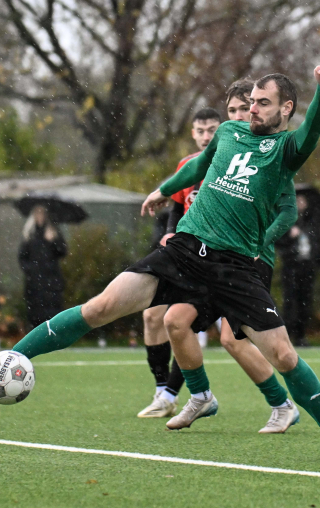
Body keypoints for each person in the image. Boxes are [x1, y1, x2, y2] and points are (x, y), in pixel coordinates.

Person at [0, 66, 320, 460]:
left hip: (235, 269)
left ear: (286, 108)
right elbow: (199, 164)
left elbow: (313, 130)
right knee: (102, 306)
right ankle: (1, 361)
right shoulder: (230, 132)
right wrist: (164, 189)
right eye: (251, 101)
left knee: (285, 356)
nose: (252, 108)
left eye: (263, 103)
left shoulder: (286, 149)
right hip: (184, 250)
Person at [140, 82, 302, 435]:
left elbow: (288, 212)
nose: (242, 116)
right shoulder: (223, 148)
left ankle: (282, 405)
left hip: (248, 258)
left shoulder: (271, 151)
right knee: (175, 320)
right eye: (233, 111)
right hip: (209, 256)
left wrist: (261, 240)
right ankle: (193, 395)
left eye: (247, 109)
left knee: (231, 338)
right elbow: (188, 189)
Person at [139, 107, 221, 419]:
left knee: (192, 327)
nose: (205, 137)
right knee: (152, 317)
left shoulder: (228, 163)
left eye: (211, 130)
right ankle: (163, 390)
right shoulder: (187, 165)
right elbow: (176, 207)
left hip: (213, 259)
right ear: (192, 133)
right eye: (200, 131)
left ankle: (178, 394)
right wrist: (170, 233)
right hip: (181, 253)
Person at [276, 193, 320, 347]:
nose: (300, 203)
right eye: (297, 200)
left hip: (307, 266)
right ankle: (286, 336)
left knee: (305, 301)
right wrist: (290, 236)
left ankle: (301, 335)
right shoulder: (286, 219)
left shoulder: (312, 221)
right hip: (291, 266)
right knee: (289, 301)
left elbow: (317, 245)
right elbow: (278, 242)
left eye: (303, 200)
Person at [18, 206, 68, 328]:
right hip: (34, 283)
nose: (40, 216)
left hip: (51, 281)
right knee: (35, 313)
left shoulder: (53, 232)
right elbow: (22, 257)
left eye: (42, 213)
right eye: (37, 213)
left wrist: (54, 240)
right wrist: (31, 270)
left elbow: (63, 251)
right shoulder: (29, 235)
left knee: (52, 312)